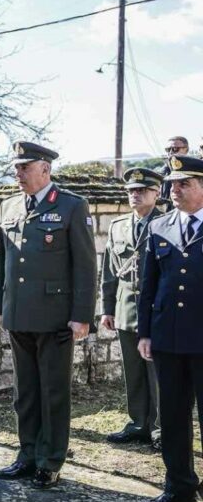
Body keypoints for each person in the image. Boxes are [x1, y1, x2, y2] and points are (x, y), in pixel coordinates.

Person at [0, 141, 97, 490]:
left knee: (53, 392)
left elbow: (85, 266)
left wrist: (82, 315)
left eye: (24, 167)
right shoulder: (9, 206)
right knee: (25, 392)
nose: (18, 173)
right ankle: (27, 454)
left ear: (45, 169)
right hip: (18, 313)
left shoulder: (71, 205)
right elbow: (2, 262)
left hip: (55, 316)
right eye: (16, 168)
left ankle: (50, 460)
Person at [136, 155, 203, 502]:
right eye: (172, 184)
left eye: (184, 183)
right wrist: (145, 332)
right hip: (168, 337)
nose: (174, 190)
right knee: (173, 415)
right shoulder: (159, 226)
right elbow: (149, 285)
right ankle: (179, 488)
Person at [100, 167, 163, 451]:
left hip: (157, 311)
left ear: (156, 193)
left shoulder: (166, 223)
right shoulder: (118, 226)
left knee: (158, 374)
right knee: (134, 371)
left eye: (142, 190)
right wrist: (107, 308)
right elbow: (109, 272)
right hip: (126, 309)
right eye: (131, 191)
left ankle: (161, 428)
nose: (135, 195)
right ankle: (138, 423)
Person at [161, 136, 191, 202]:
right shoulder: (165, 170)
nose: (170, 152)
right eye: (168, 149)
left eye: (175, 149)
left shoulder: (195, 170)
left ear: (186, 150)